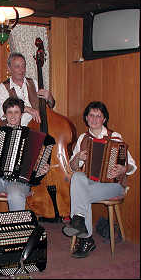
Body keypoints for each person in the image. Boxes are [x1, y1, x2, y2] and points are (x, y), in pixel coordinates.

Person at [62, 101, 137, 258]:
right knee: (77, 177)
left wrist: (124, 168)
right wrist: (77, 157)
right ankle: (84, 233)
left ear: (104, 119)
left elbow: (132, 166)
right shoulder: (83, 139)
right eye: (91, 115)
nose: (94, 119)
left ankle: (84, 233)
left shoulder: (115, 137)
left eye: (98, 116)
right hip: (90, 183)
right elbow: (74, 167)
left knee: (81, 194)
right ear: (86, 118)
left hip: (113, 185)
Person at [0, 97, 50, 221]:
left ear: (21, 114)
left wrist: (41, 170)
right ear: (5, 114)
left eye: (16, 112)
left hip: (18, 181)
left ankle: (16, 233)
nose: (13, 116)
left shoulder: (30, 135)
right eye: (10, 112)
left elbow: (35, 165)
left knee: (16, 196)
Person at [0, 52, 55, 126]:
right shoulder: (2, 88)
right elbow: (3, 113)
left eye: (23, 66)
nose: (22, 70)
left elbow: (50, 105)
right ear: (9, 68)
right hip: (15, 130)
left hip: (36, 127)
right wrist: (27, 109)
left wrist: (49, 97)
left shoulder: (34, 83)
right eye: (17, 66)